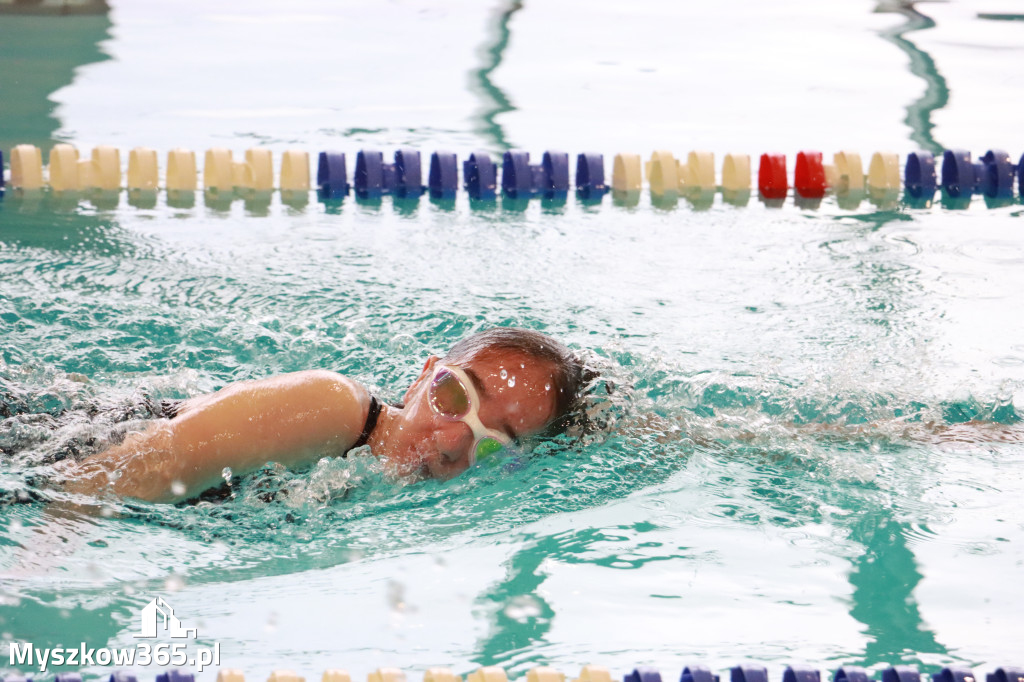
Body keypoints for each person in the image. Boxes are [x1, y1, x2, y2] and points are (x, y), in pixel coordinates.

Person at [54, 327, 588, 504]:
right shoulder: (331, 407)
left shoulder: (388, 494)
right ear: (424, 375)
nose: (453, 439)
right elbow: (103, 472)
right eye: (456, 396)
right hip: (60, 444)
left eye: (493, 440)